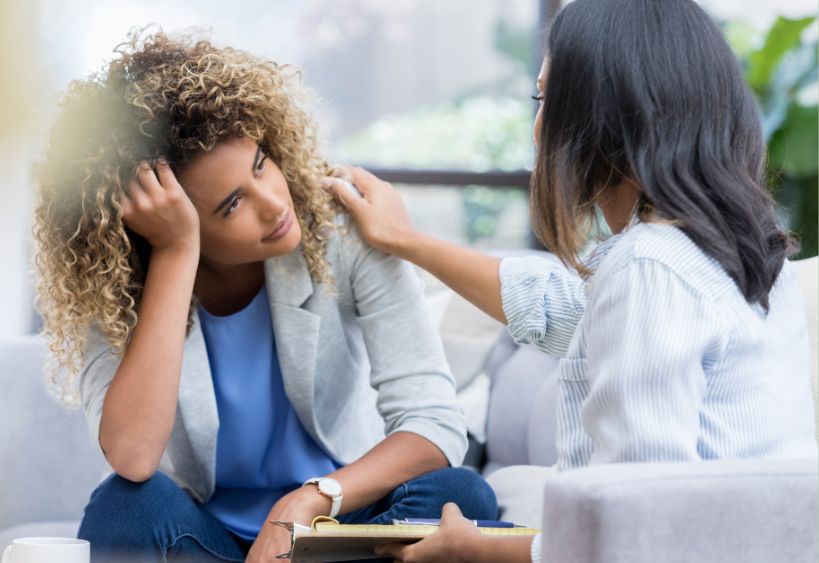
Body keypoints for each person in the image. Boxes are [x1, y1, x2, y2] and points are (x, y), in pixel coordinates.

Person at [322, 0, 819, 561]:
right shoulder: (748, 256)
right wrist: (405, 240)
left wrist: (474, 550)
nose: (538, 127)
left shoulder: (648, 267)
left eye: (544, 99)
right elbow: (560, 310)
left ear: (601, 115)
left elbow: (637, 528)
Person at [34, 31, 497, 563]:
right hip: (207, 542)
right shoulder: (115, 284)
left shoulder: (342, 233)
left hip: (340, 529)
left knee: (460, 497)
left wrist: (311, 498)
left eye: (260, 164)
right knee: (123, 508)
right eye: (232, 205)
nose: (275, 203)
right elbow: (133, 458)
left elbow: (433, 424)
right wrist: (176, 253)